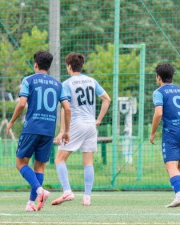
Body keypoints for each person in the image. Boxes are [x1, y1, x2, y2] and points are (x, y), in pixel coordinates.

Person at [6, 50, 71, 212]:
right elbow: (67, 108)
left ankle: (40, 190)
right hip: (49, 130)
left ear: (35, 64)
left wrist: (12, 121)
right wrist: (66, 131)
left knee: (20, 163)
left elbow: (21, 104)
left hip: (32, 128)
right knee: (40, 166)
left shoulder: (28, 80)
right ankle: (31, 203)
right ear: (48, 66)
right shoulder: (58, 84)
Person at [51, 52, 111, 206]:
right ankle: (87, 197)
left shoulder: (67, 83)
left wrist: (63, 131)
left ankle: (67, 191)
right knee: (88, 162)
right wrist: (98, 119)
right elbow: (107, 99)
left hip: (76, 124)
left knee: (59, 159)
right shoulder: (92, 81)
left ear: (69, 66)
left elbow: (66, 108)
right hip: (91, 125)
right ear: (81, 66)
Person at [149, 63, 180, 208]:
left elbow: (158, 113)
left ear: (158, 77)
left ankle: (179, 195)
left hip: (172, 132)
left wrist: (152, 133)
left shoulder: (159, 92)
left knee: (171, 165)